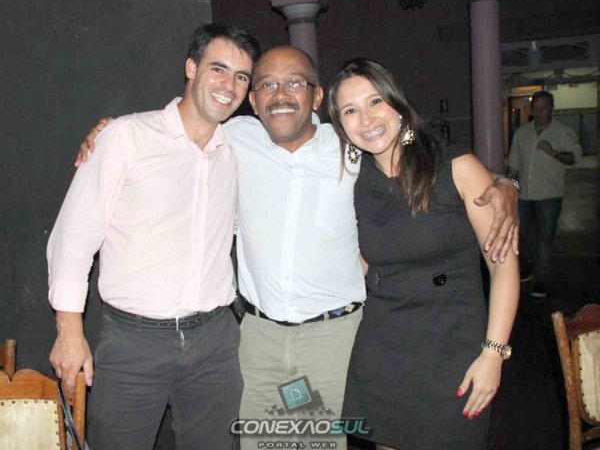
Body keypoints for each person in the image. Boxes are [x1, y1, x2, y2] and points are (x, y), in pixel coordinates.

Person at [76, 46, 519, 450]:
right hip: (261, 339)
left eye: (295, 82)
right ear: (252, 101)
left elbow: (432, 161)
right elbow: (175, 131)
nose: (281, 94)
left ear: (317, 96)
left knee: (317, 444)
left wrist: (506, 184)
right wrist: (109, 132)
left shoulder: (348, 152)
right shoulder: (234, 139)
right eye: (267, 84)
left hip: (337, 338)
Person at [47, 23, 260, 450]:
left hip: (215, 342)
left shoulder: (239, 149)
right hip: (133, 343)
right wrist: (69, 331)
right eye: (218, 69)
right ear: (191, 67)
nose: (229, 85)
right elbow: (73, 236)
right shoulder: (126, 137)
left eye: (241, 76)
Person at [327, 57, 520, 450]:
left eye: (375, 101)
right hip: (384, 347)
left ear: (398, 105)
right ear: (341, 126)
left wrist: (494, 354)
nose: (366, 119)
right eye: (350, 110)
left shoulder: (454, 166)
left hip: (453, 346)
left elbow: (503, 268)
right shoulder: (353, 180)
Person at [508, 90, 582, 298]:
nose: (539, 112)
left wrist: (554, 152)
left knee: (545, 239)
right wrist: (510, 187)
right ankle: (528, 267)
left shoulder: (563, 132)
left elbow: (575, 158)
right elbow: (514, 164)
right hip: (524, 195)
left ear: (551, 109)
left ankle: (540, 280)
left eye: (544, 108)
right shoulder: (522, 133)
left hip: (549, 195)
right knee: (523, 236)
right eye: (536, 108)